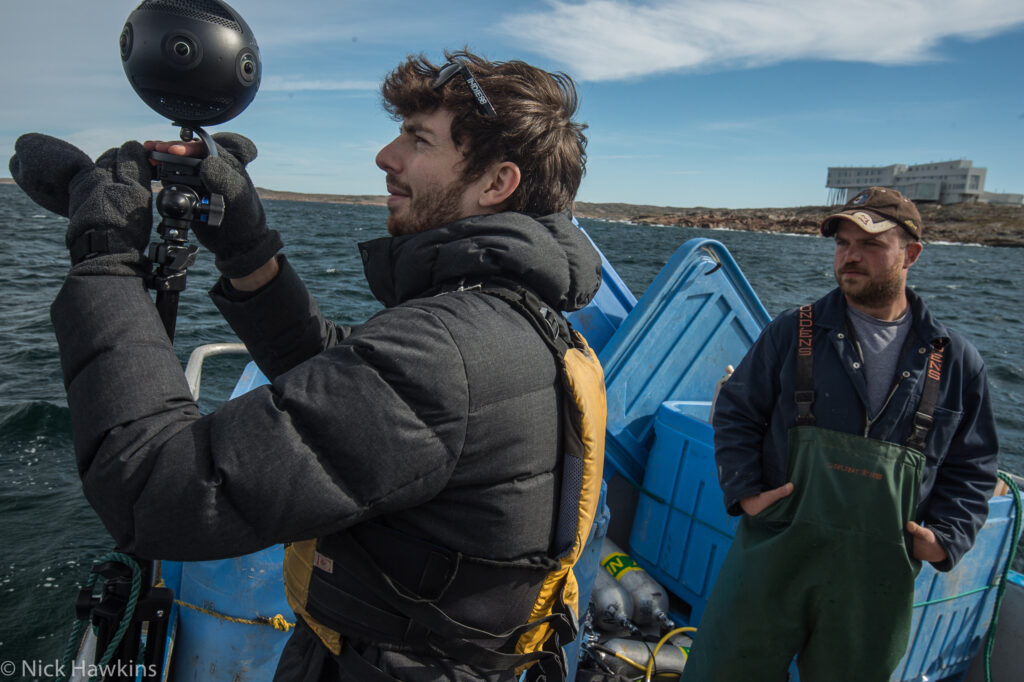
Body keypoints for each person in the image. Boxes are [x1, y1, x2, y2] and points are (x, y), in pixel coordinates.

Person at [9, 49, 605, 682]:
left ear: (495, 184)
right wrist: (246, 249)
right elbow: (342, 387)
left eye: (417, 139)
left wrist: (104, 257)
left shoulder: (447, 352)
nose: (386, 157)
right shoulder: (513, 323)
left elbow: (157, 491)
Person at [682, 187, 999, 681]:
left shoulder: (955, 360)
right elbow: (737, 413)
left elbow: (973, 467)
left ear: (910, 254)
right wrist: (746, 493)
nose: (850, 256)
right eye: (842, 243)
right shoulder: (793, 331)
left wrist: (946, 538)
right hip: (775, 551)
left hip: (878, 575)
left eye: (870, 244)